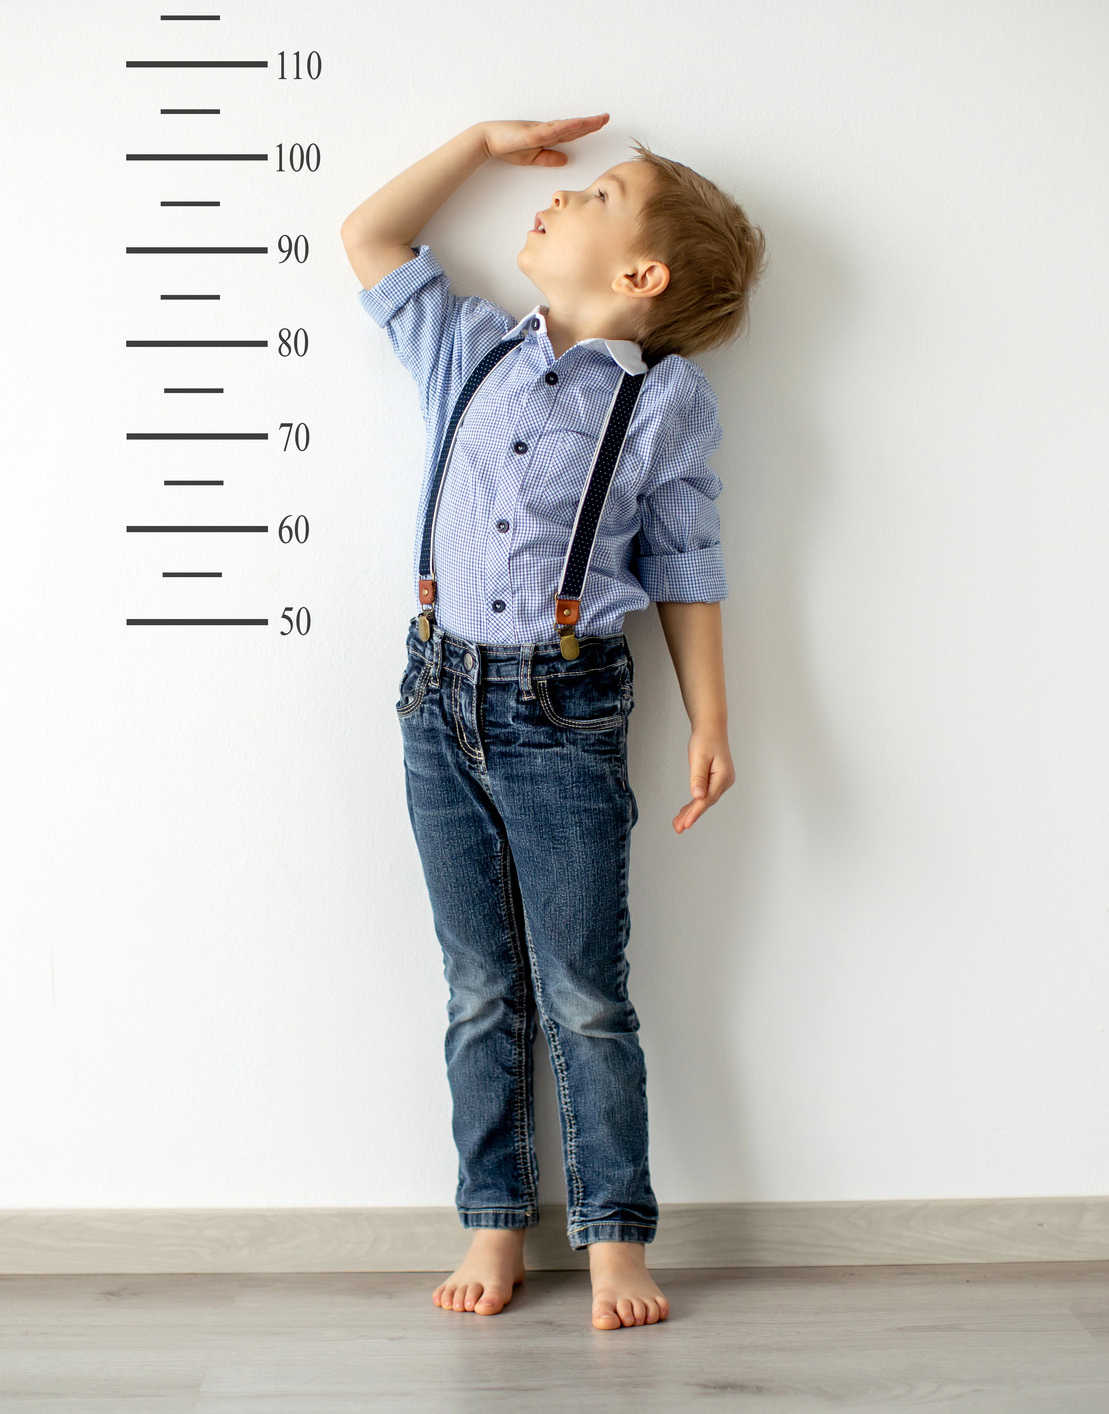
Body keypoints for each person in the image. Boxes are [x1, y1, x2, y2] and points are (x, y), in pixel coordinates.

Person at [341, 114, 765, 1331]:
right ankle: (493, 1219)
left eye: (598, 195)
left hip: (564, 708)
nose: (562, 196)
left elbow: (689, 561)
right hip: (436, 696)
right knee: (479, 984)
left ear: (642, 277)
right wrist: (479, 144)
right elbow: (367, 233)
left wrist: (711, 716)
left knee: (584, 988)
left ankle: (617, 1238)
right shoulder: (464, 345)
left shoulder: (668, 404)